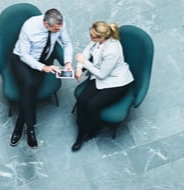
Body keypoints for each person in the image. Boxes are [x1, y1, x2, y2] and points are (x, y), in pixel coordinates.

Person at [10, 8, 73, 148]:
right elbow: (24, 55)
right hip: (22, 61)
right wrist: (44, 68)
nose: (59, 31)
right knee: (28, 85)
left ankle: (20, 126)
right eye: (55, 30)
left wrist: (68, 62)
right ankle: (30, 129)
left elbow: (67, 43)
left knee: (29, 91)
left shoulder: (60, 24)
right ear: (46, 24)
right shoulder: (29, 27)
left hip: (43, 60)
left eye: (59, 29)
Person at [72, 21, 134, 151]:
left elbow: (102, 75)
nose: (90, 37)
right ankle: (81, 128)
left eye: (92, 36)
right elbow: (87, 50)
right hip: (100, 75)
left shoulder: (112, 51)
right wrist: (79, 67)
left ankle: (93, 129)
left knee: (92, 105)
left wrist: (84, 63)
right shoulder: (98, 39)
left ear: (102, 37)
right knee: (82, 100)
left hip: (116, 82)